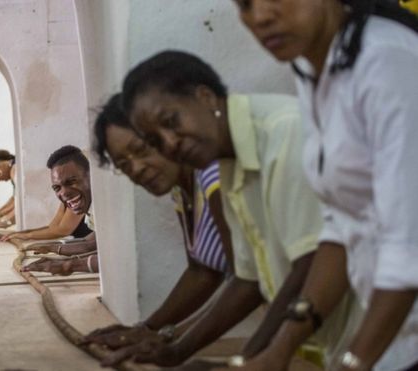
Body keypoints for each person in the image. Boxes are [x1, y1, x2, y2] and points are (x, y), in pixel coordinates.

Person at [110, 50, 357, 368]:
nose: (170, 143)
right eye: (156, 140)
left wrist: (255, 358)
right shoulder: (225, 160)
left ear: (206, 97)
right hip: (340, 344)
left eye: (171, 122)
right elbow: (249, 278)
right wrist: (181, 353)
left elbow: (310, 264)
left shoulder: (285, 132)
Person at [231, 1, 418, 370]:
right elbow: (340, 224)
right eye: (245, 4)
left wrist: (354, 363)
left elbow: (408, 248)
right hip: (396, 335)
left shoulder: (388, 60)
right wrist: (278, 351)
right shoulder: (312, 67)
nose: (260, 16)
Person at [82, 93, 231, 353]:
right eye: (123, 164)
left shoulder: (212, 175)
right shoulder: (181, 189)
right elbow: (202, 271)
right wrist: (148, 329)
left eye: (141, 150)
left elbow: (252, 280)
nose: (136, 169)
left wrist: (175, 342)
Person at [22, 145, 98, 276]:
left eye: (72, 182)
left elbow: (118, 254)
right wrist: (54, 247)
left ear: (91, 176)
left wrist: (68, 265)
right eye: (57, 188)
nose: (64, 193)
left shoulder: (109, 205)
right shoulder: (90, 208)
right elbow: (90, 243)